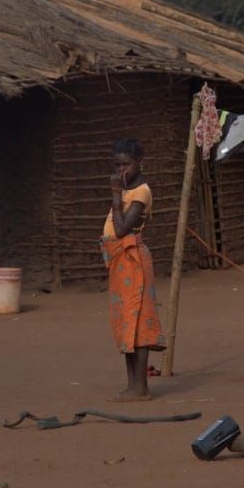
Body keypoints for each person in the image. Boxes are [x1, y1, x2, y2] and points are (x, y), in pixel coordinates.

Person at [100, 138, 167, 402]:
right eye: (116, 165)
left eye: (125, 165)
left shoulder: (141, 192)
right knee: (126, 322)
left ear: (139, 162)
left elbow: (121, 229)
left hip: (133, 260)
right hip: (121, 262)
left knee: (137, 322)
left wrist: (116, 194)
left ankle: (141, 388)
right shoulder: (128, 188)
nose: (121, 171)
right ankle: (133, 386)